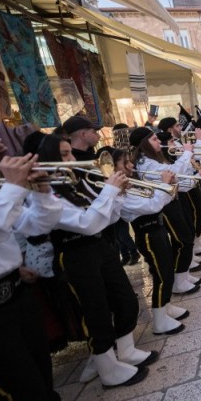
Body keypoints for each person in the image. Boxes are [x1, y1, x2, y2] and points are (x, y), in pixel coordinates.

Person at [40, 135, 155, 388]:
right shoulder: (47, 193)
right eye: (63, 154)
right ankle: (107, 369)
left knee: (125, 299)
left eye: (70, 153)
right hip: (74, 254)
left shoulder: (76, 184)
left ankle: (125, 350)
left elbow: (108, 219)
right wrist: (111, 190)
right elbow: (87, 224)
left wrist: (118, 194)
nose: (70, 159)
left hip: (99, 247)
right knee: (96, 313)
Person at [0, 153, 64, 401]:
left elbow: (36, 226)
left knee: (43, 375)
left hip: (17, 293)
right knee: (23, 387)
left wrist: (42, 192)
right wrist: (13, 187)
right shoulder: (6, 191)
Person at [112, 147, 190, 335]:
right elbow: (153, 205)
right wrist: (164, 185)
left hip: (157, 229)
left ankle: (165, 306)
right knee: (162, 274)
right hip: (147, 234)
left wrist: (168, 186)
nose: (131, 165)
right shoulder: (121, 193)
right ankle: (160, 320)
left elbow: (161, 201)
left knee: (166, 271)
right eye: (125, 163)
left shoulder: (132, 184)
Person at [130, 127, 201, 293]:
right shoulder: (145, 163)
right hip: (164, 205)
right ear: (144, 144)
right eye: (154, 139)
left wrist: (195, 179)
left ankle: (182, 275)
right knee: (182, 239)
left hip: (171, 200)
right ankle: (179, 281)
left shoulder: (153, 159)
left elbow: (175, 179)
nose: (158, 142)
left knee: (186, 237)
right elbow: (173, 173)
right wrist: (186, 153)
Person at [157, 117, 201, 253]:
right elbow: (178, 167)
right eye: (177, 126)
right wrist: (198, 140)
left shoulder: (176, 143)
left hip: (190, 180)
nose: (180, 128)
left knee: (198, 213)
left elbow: (193, 157)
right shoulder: (169, 147)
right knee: (192, 215)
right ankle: (194, 245)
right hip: (184, 185)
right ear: (170, 129)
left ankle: (198, 240)